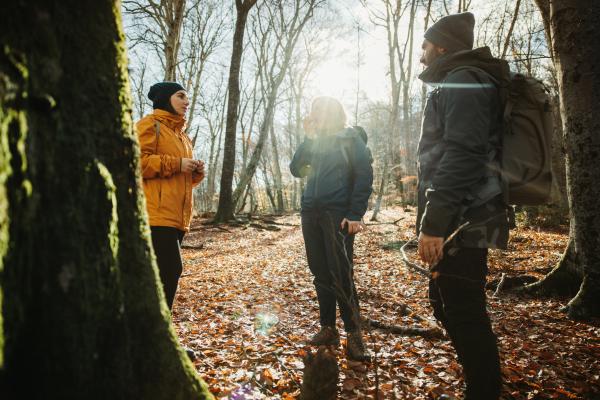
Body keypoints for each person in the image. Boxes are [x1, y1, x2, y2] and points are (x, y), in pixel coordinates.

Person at [416, 12, 513, 400]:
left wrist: (434, 223)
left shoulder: (463, 79)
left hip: (465, 218)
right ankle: (482, 382)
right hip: (460, 214)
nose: (421, 54)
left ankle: (485, 390)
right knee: (446, 304)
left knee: (463, 311)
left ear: (441, 46)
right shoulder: (457, 79)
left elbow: (463, 154)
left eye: (425, 45)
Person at [290, 96, 373, 361]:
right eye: (314, 111)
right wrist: (309, 137)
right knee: (320, 273)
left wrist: (355, 213)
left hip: (337, 214)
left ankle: (354, 335)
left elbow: (364, 174)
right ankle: (328, 328)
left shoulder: (350, 138)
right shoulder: (316, 140)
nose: (316, 115)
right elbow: (296, 170)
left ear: (334, 112)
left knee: (341, 274)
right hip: (310, 213)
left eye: (320, 110)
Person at [136, 81, 205, 310]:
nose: (187, 101)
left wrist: (196, 172)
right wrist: (177, 164)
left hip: (178, 218)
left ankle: (157, 336)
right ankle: (158, 336)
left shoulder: (182, 137)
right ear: (166, 99)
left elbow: (182, 178)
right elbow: (136, 162)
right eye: (180, 96)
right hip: (155, 215)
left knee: (163, 275)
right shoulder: (149, 125)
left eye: (187, 97)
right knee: (170, 270)